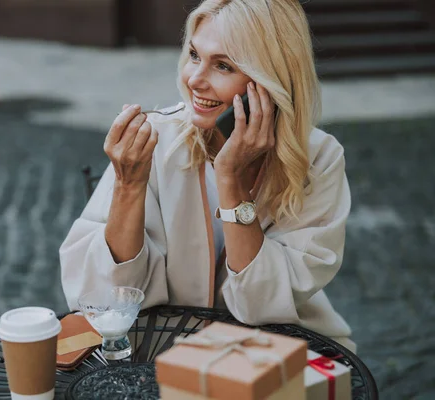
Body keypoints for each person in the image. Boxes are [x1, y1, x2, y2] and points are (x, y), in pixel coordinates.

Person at [59, 0, 356, 352]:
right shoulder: (157, 139)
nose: (194, 80)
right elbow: (102, 298)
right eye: (195, 55)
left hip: (278, 348)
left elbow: (260, 304)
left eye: (223, 66)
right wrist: (128, 184)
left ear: (271, 80)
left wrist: (231, 178)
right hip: (157, 349)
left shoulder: (319, 158)